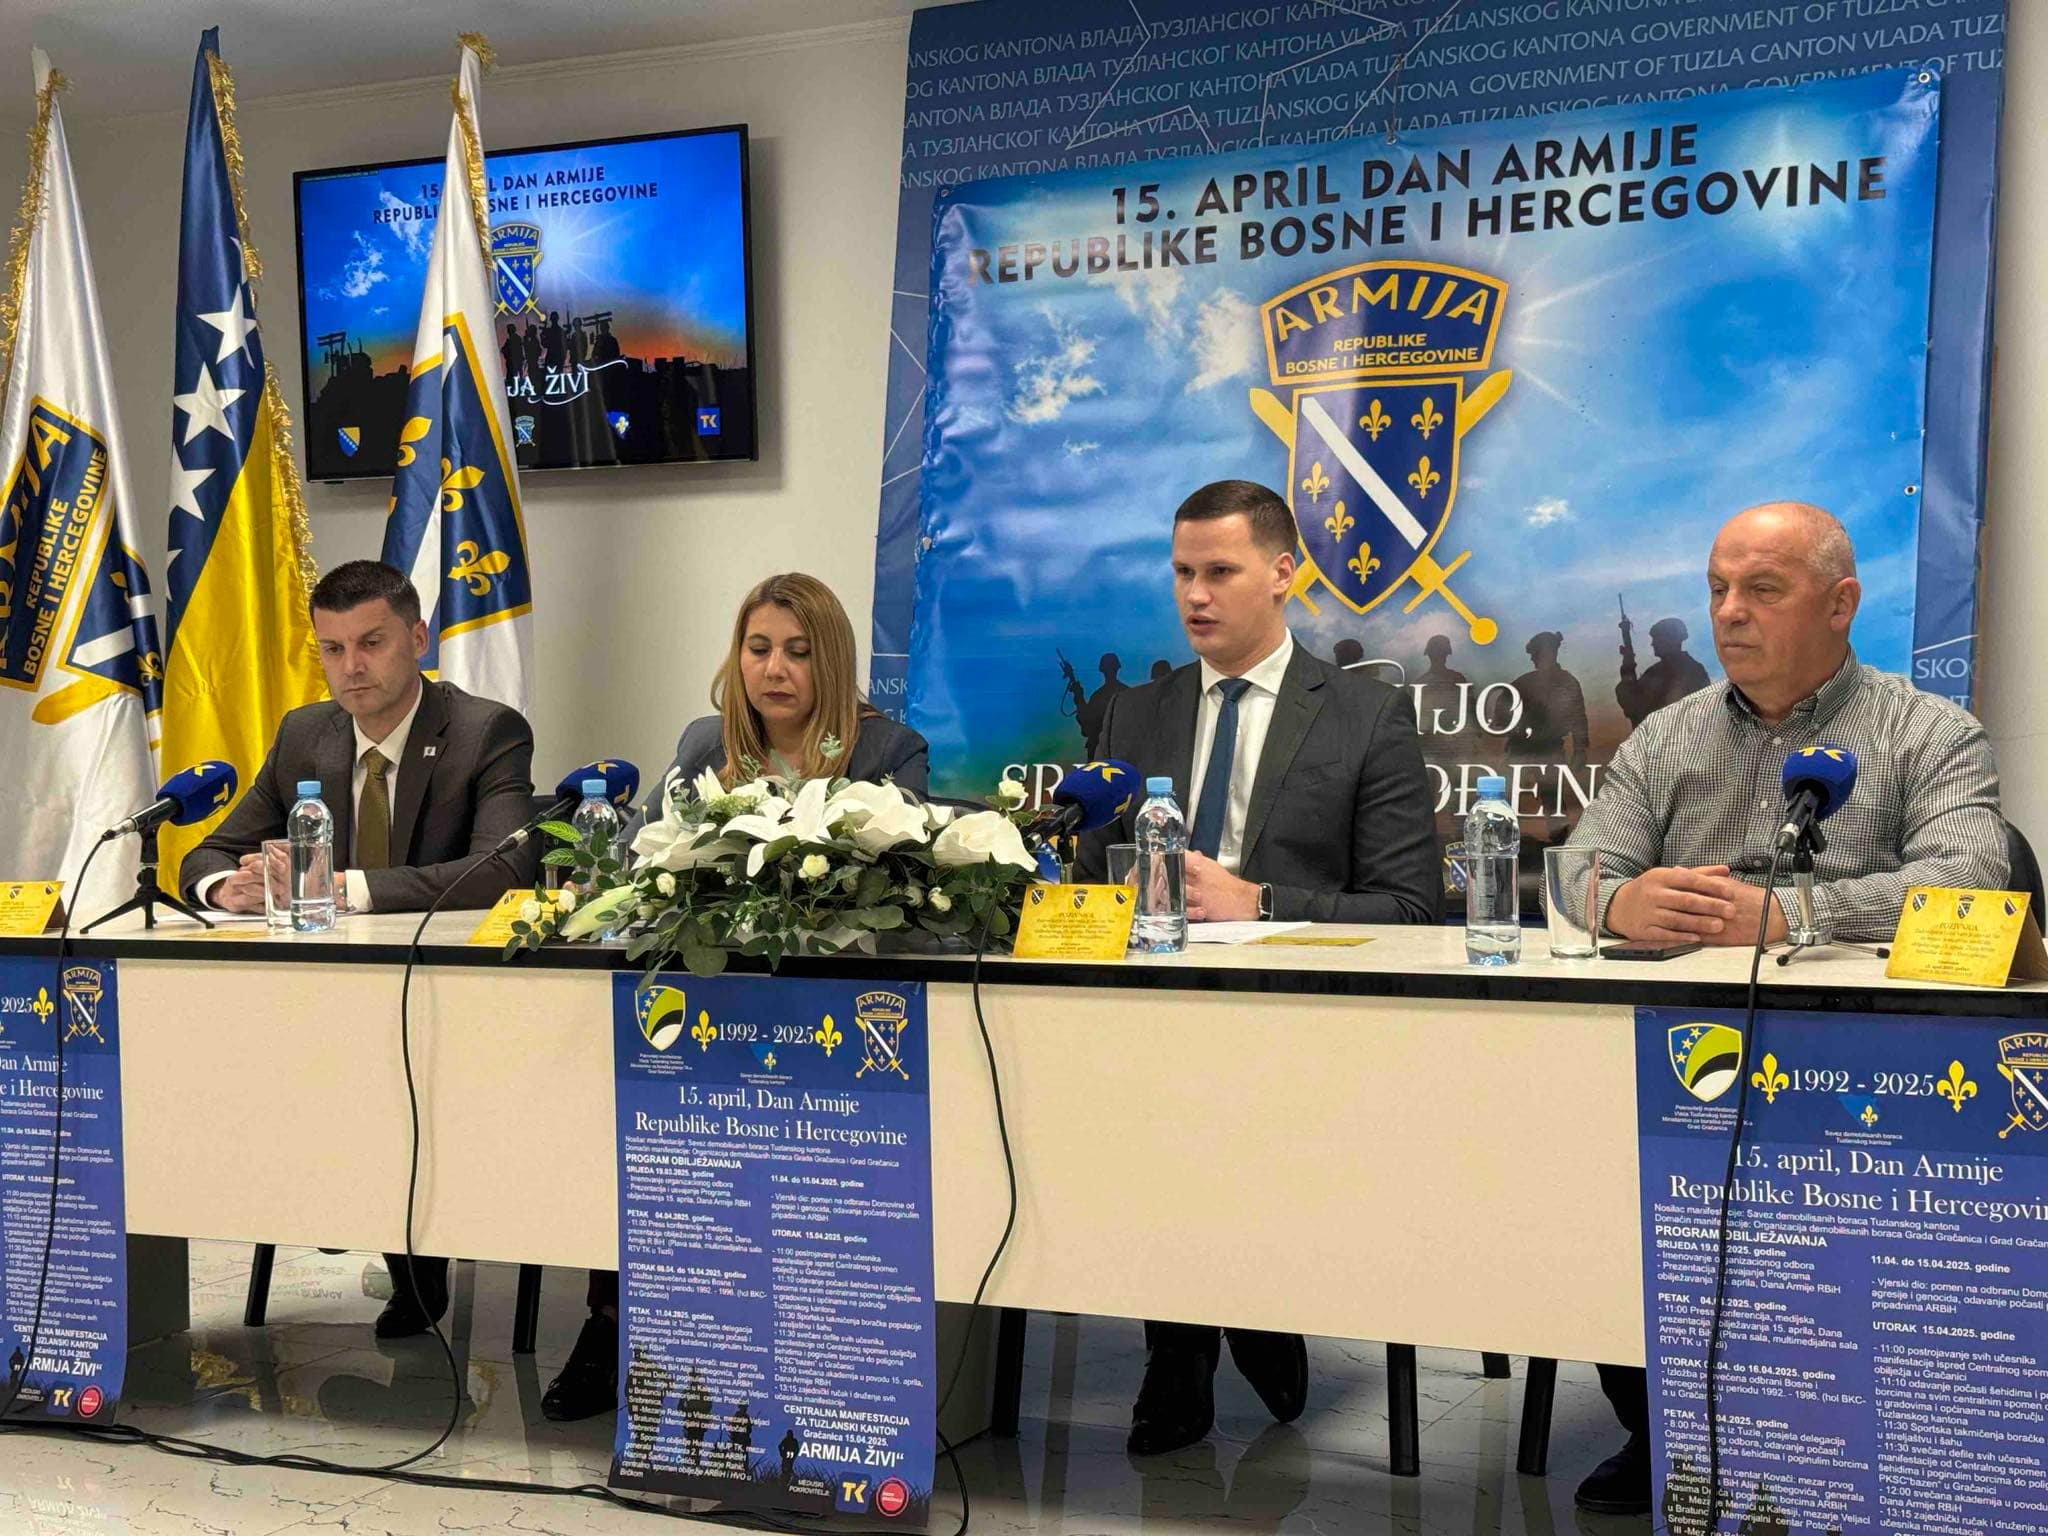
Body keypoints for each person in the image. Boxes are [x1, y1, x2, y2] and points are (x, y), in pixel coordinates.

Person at [1565, 502, 2006, 1513]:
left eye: (1761, 590)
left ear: (1841, 604)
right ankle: (1658, 1427)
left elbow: (1975, 877)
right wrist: (1619, 900)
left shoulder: (1926, 731)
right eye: (1717, 589)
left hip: (1863, 1080)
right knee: (1600, 1184)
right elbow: (1580, 868)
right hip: (1672, 1065)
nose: (1728, 613)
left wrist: (1792, 914)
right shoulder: (1664, 736)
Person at [1076, 479, 1440, 1457]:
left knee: (1211, 1103)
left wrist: (1258, 903)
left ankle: (1245, 1310)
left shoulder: (1364, 715)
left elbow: (1413, 911)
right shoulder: (1135, 715)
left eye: (1219, 572)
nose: (1195, 595)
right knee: (1136, 1095)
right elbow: (1091, 874)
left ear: (1282, 574)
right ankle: (1191, 1339)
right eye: (1181, 573)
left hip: (1304, 1021)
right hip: (1154, 1018)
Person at [540, 572, 929, 1423]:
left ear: (832, 662)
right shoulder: (701, 743)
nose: (774, 670)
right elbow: (641, 858)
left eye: (797, 652)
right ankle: (611, 1325)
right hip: (707, 1006)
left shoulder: (887, 750)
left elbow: (904, 892)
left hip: (826, 1016)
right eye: (758, 649)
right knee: (640, 1131)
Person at [182, 559, 537, 1341]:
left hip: (450, 1004)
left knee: (376, 1073)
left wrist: (341, 887)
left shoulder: (485, 731)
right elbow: (206, 853)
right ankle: (347, 1210)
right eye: (333, 649)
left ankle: (410, 1251)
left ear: (418, 637)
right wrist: (227, 889)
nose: (352, 667)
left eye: (372, 643)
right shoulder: (304, 734)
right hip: (325, 1006)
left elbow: (502, 869)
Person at [1616, 615, 1711, 726]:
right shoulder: (1658, 671)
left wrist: (1628, 665)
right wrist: (1628, 662)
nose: (1653, 644)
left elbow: (1634, 704)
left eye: (1656, 639)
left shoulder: (1690, 671)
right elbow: (1631, 700)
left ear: (1669, 640)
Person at [1075, 652, 1127, 757]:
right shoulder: (1126, 693)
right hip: (1118, 749)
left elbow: (1087, 728)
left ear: (1102, 669)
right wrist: (1079, 698)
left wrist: (1079, 699)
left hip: (1102, 749)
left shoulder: (1098, 696)